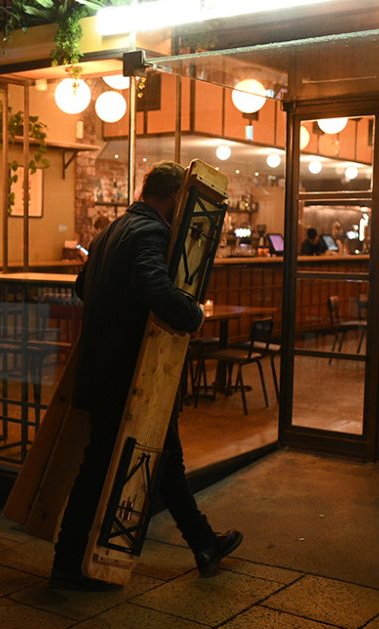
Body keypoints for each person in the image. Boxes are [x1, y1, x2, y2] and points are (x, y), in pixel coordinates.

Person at [51, 161, 243, 592]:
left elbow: (82, 288)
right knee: (100, 467)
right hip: (133, 377)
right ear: (175, 197)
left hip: (106, 370)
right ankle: (66, 564)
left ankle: (203, 542)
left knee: (164, 461)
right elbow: (156, 288)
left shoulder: (112, 230)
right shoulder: (152, 234)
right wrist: (192, 313)